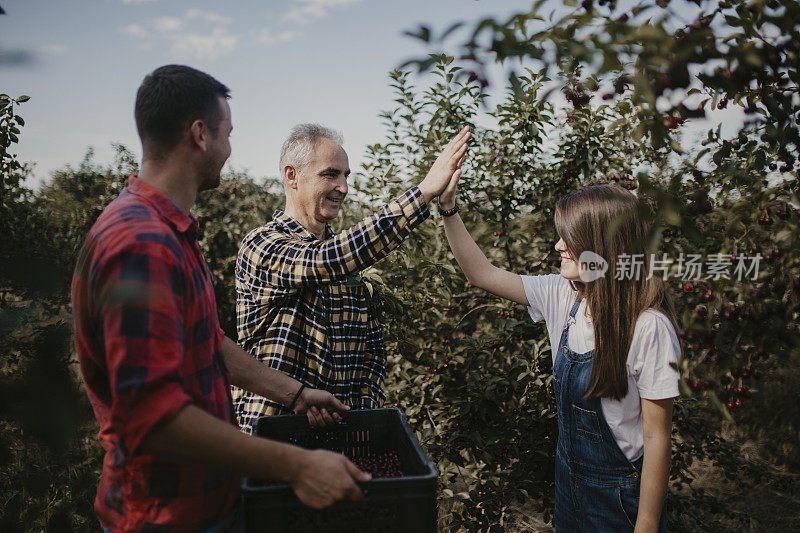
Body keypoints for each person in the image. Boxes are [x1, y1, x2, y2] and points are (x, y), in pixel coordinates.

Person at [71, 65, 371, 533]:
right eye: (228, 134)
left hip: (205, 506)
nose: (231, 150)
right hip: (165, 516)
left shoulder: (171, 232)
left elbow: (208, 343)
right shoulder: (141, 243)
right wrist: (298, 466)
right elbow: (155, 421)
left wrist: (293, 393)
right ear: (200, 135)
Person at [438, 174, 679, 532]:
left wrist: (645, 526)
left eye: (570, 238)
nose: (557, 246)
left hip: (618, 499)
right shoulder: (563, 296)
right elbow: (481, 273)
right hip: (568, 484)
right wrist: (448, 209)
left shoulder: (648, 327)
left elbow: (658, 438)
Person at [233, 123, 470, 433]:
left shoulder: (348, 268)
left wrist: (359, 416)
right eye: (331, 174)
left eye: (346, 176)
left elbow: (372, 353)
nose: (343, 187)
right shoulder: (262, 245)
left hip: (338, 441)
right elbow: (326, 259)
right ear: (292, 176)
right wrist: (424, 191)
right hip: (270, 434)